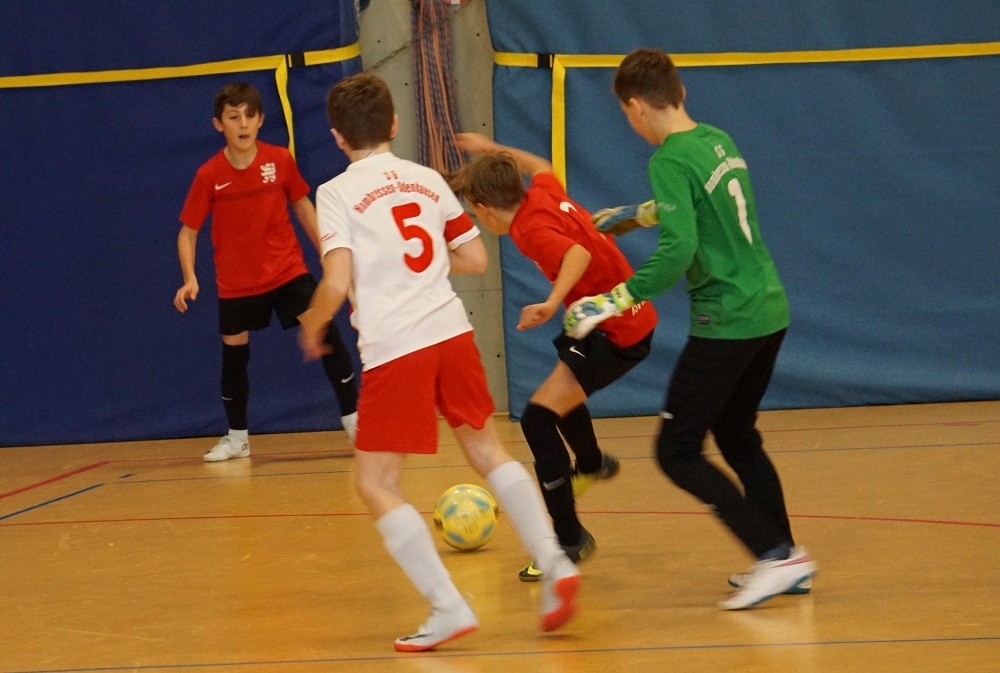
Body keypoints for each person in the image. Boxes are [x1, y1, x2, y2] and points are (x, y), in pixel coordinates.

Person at [298, 72, 580, 652]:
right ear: (394, 124)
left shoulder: (336, 192)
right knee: (488, 452)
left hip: (396, 346)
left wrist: (311, 322)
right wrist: (417, 269)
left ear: (337, 137)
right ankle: (555, 561)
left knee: (376, 482)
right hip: (452, 333)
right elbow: (474, 257)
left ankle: (448, 605)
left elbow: (337, 280)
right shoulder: (427, 180)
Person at [564, 48, 816, 610]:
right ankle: (786, 556)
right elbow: (710, 205)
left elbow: (679, 251)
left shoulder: (669, 160)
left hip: (726, 320)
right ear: (680, 92)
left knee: (676, 450)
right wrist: (641, 214)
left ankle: (775, 555)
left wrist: (613, 300)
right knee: (737, 436)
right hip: (767, 308)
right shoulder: (716, 140)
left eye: (626, 115)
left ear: (635, 107)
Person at [449, 134, 658, 582]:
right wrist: (489, 148)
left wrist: (551, 301)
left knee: (537, 420)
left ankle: (569, 538)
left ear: (485, 210)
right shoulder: (540, 192)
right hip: (620, 317)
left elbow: (576, 253)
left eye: (475, 212)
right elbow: (541, 164)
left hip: (616, 332)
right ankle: (592, 463)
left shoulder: (529, 231)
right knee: (559, 391)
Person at [174, 82, 359, 461]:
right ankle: (237, 439)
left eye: (249, 115)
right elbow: (187, 232)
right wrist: (190, 277)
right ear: (219, 124)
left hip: (287, 271)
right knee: (234, 357)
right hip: (236, 283)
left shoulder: (280, 160)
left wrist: (327, 253)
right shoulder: (209, 174)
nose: (242, 124)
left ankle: (356, 424)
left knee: (326, 332)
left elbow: (303, 206)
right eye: (233, 117)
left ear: (260, 120)